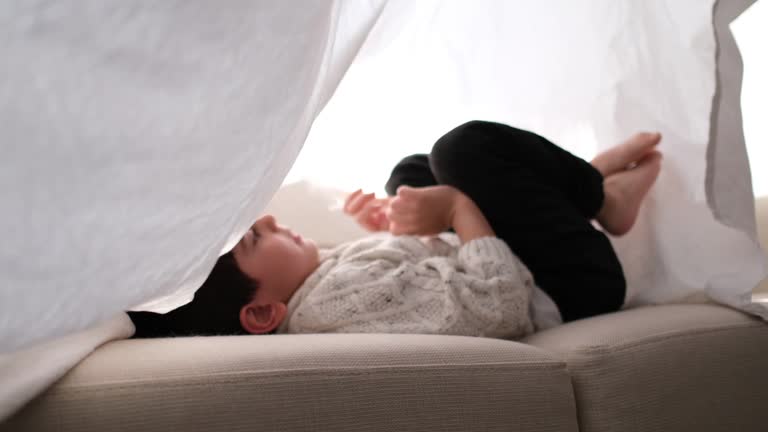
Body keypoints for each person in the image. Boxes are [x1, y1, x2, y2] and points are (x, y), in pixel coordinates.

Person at [129, 120, 662, 339]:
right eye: (253, 238)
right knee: (461, 151)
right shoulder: (330, 303)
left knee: (407, 178)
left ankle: (588, 189)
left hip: (525, 267)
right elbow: (498, 306)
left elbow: (415, 278)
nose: (268, 219)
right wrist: (455, 209)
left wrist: (388, 228)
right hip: (573, 287)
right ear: (263, 312)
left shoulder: (317, 286)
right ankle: (599, 197)